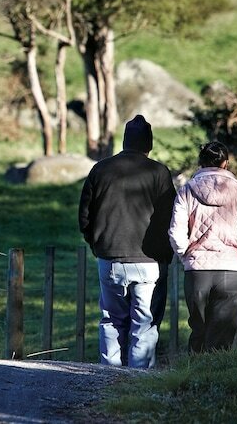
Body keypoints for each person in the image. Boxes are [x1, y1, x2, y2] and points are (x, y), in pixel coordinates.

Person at [78, 115, 176, 369]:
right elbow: (170, 217)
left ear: (124, 141)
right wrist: (165, 254)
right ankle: (138, 379)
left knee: (111, 319)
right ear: (149, 145)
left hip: (109, 257)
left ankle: (108, 375)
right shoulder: (159, 172)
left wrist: (96, 243)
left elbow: (85, 215)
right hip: (148, 261)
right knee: (144, 322)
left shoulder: (100, 169)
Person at [169, 141, 237, 353]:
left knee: (199, 333)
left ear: (200, 163)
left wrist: (185, 253)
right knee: (222, 340)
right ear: (226, 163)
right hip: (231, 270)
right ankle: (215, 381)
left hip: (197, 272)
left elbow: (176, 231)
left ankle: (192, 381)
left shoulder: (186, 191)